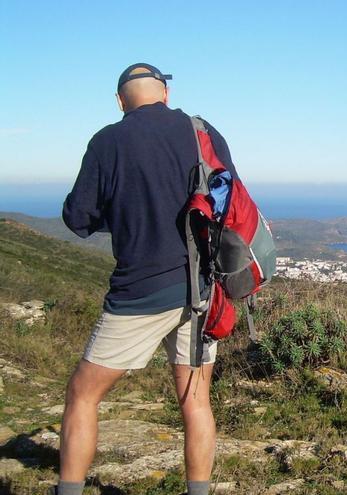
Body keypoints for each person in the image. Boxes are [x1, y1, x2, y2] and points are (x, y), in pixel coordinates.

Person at [54, 63, 238, 495]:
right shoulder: (201, 131)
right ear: (165, 95)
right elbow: (225, 199)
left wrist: (122, 213)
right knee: (195, 401)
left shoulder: (108, 141)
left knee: (83, 393)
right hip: (202, 289)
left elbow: (78, 217)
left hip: (141, 290)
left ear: (121, 101)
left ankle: (68, 490)